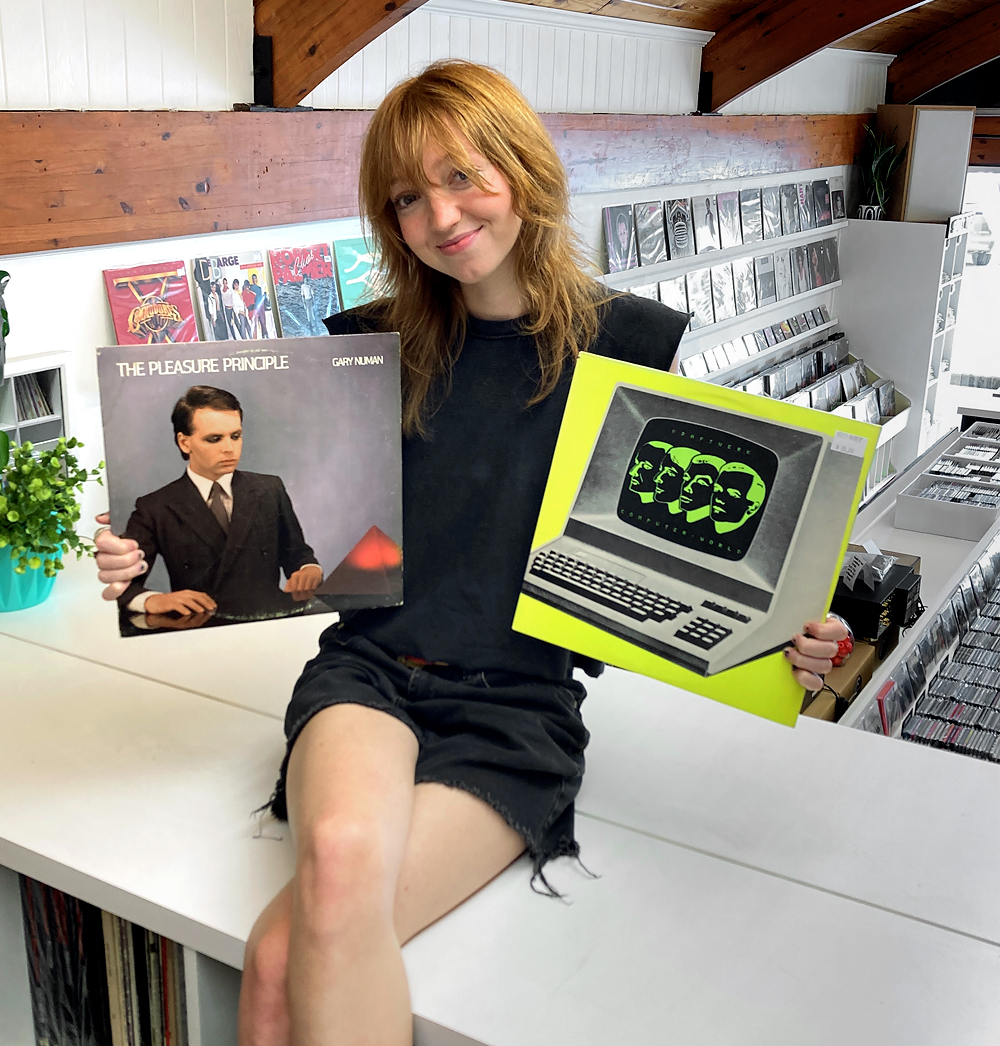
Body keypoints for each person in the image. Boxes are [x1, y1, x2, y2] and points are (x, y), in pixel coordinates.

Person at [93, 60, 848, 1046]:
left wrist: (789, 636)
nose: (439, 216)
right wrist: (139, 564)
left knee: (280, 960)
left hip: (516, 708)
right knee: (336, 853)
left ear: (523, 169)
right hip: (369, 674)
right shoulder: (365, 349)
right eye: (406, 197)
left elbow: (678, 567)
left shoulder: (635, 346)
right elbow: (279, 538)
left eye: (461, 176)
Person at [118, 384, 323, 622]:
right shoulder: (155, 507)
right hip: (200, 625)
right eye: (214, 439)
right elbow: (123, 584)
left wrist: (309, 569)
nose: (229, 449)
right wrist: (152, 600)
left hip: (269, 621)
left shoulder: (269, 489)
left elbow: (297, 553)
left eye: (236, 436)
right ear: (184, 442)